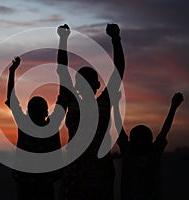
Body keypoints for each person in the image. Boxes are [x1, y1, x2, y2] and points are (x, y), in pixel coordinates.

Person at [57, 23, 125, 200]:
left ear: (96, 85)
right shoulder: (72, 102)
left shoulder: (103, 103)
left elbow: (118, 70)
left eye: (88, 80)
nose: (85, 83)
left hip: (98, 172)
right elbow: (62, 69)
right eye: (82, 80)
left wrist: (116, 39)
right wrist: (63, 39)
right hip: (76, 171)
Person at [5, 57, 67, 200]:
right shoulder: (45, 125)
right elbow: (63, 97)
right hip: (34, 183)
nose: (35, 112)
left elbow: (11, 98)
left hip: (36, 183)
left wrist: (12, 71)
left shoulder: (26, 125)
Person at [114, 92, 184, 200]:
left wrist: (114, 105)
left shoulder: (128, 152)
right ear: (150, 140)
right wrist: (173, 107)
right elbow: (164, 131)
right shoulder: (154, 153)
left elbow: (119, 127)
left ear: (131, 141)